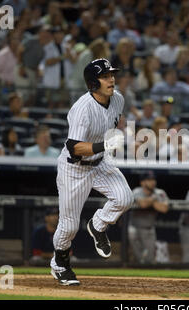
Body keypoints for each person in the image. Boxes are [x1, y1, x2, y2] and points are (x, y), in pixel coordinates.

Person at [50, 58, 134, 286]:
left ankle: (98, 225)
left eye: (111, 75)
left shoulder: (118, 99)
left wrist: (105, 147)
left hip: (100, 162)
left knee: (125, 198)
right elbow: (74, 147)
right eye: (105, 76)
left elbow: (109, 127)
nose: (111, 79)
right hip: (74, 167)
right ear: (93, 83)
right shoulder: (82, 108)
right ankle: (60, 264)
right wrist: (104, 145)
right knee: (68, 227)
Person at [128, 172, 169, 264]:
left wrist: (151, 202)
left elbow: (164, 208)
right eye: (149, 180)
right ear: (142, 183)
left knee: (149, 260)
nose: (152, 182)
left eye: (153, 179)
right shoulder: (136, 191)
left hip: (149, 229)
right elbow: (143, 204)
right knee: (137, 258)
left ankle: (146, 277)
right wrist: (154, 200)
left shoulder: (160, 192)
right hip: (134, 228)